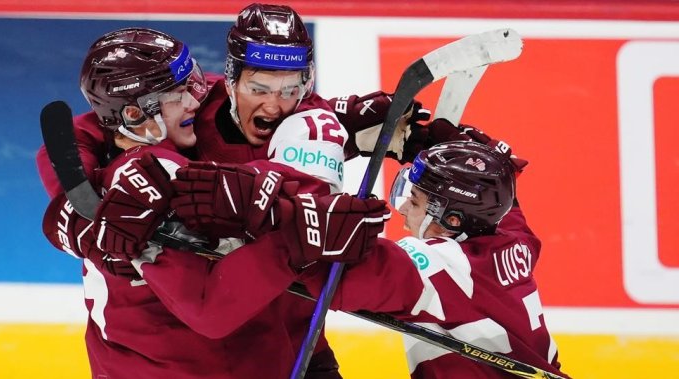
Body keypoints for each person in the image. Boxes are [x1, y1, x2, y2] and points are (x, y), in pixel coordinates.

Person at [40, 19, 391, 379]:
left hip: (280, 347)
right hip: (163, 365)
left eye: (291, 85)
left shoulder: (210, 106)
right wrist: (77, 211)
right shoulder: (143, 182)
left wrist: (343, 126)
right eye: (258, 86)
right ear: (235, 76)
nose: (196, 96)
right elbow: (209, 306)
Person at [185, 121, 567, 378]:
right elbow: (507, 198)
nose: (402, 208)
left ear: (452, 220)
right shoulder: (511, 238)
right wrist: (477, 154)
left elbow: (342, 276)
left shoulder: (442, 266)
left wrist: (270, 218)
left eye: (415, 201)